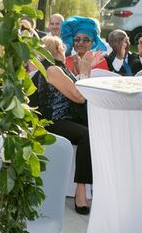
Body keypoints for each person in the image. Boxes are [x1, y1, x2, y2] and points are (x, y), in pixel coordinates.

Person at [33, 35, 92, 215]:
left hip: (65, 120)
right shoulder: (52, 70)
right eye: (62, 48)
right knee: (86, 136)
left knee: (95, 130)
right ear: (58, 50)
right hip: (52, 122)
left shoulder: (59, 69)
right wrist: (84, 71)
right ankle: (80, 191)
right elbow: (79, 97)